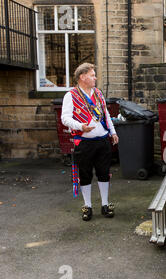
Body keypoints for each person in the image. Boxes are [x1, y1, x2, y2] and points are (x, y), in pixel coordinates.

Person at [61, 63, 119, 221]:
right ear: (82, 77)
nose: (95, 77)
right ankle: (88, 206)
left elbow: (106, 114)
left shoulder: (98, 93)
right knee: (85, 174)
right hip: (84, 143)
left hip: (102, 141)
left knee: (104, 173)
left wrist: (112, 132)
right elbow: (65, 118)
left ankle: (105, 205)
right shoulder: (71, 95)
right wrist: (80, 126)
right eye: (92, 75)